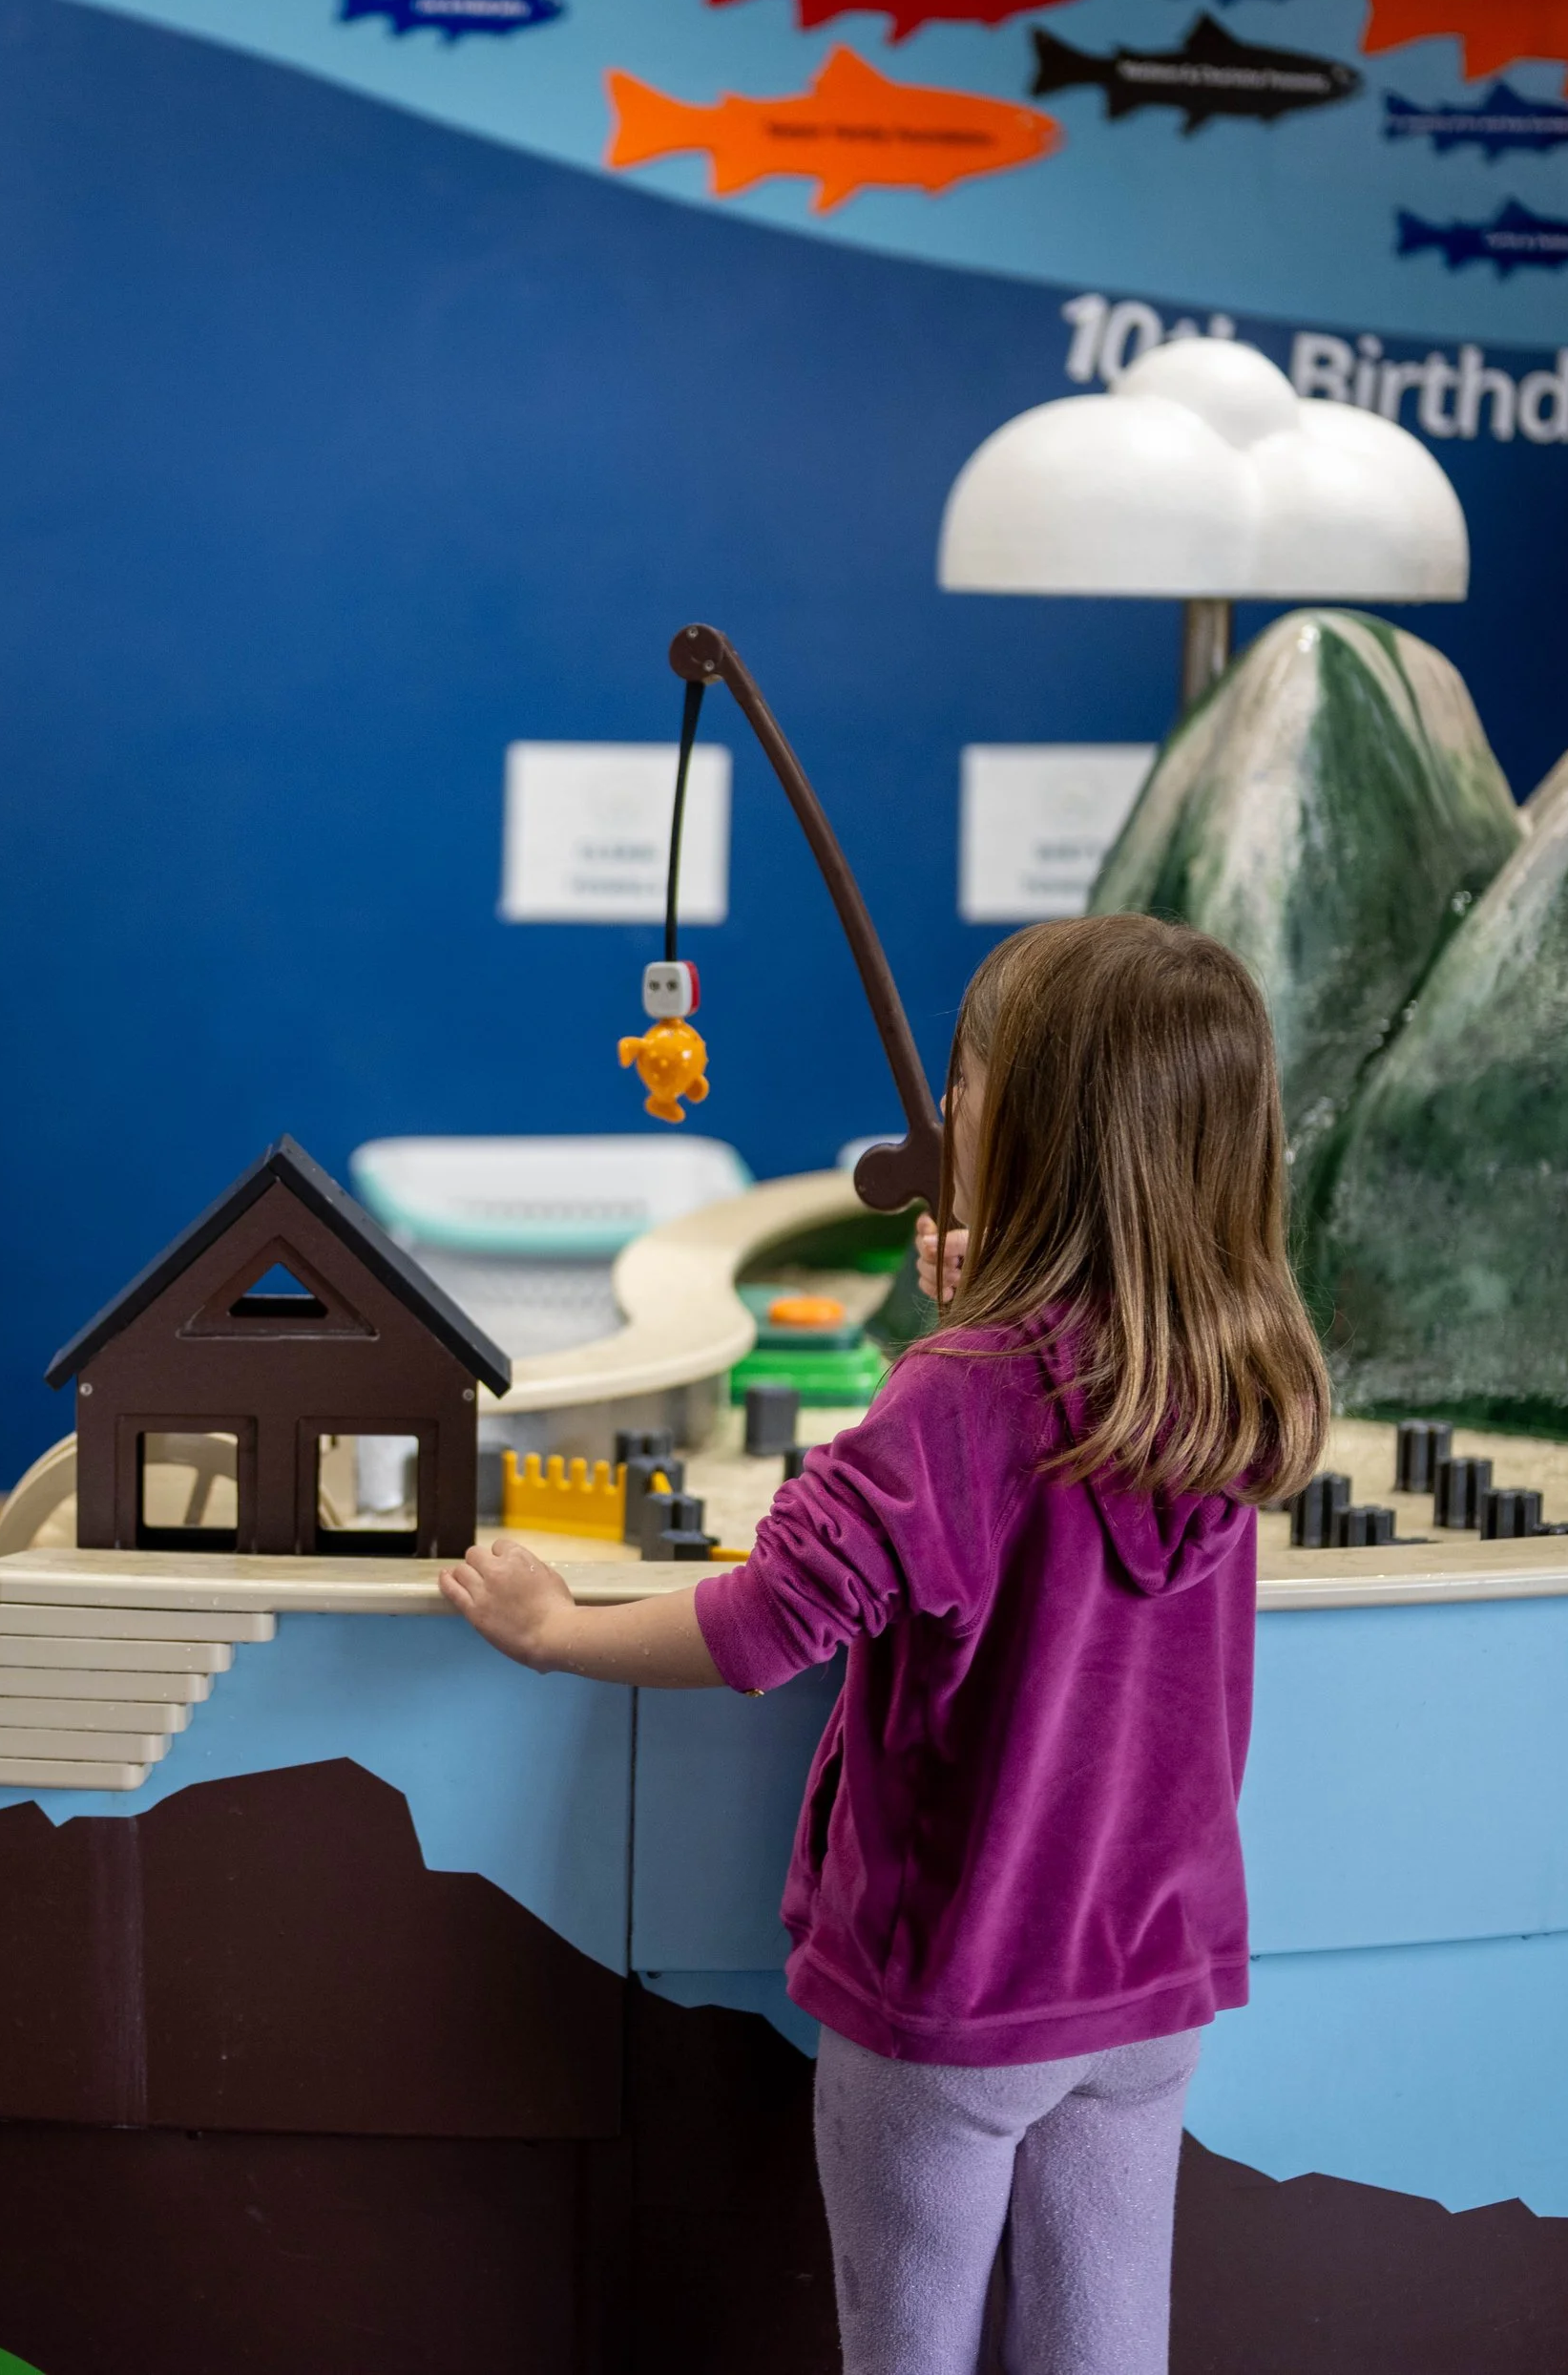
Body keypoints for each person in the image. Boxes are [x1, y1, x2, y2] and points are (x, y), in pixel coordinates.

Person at [439, 913, 1328, 2375]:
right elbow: (1057, 1422)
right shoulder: (1244, 1380)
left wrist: (555, 1630)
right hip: (1150, 1990)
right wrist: (983, 1312)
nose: (946, 1111)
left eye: (970, 1083)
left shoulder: (963, 1395)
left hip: (961, 2002)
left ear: (1037, 1131)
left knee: (904, 2353)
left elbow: (764, 1623)